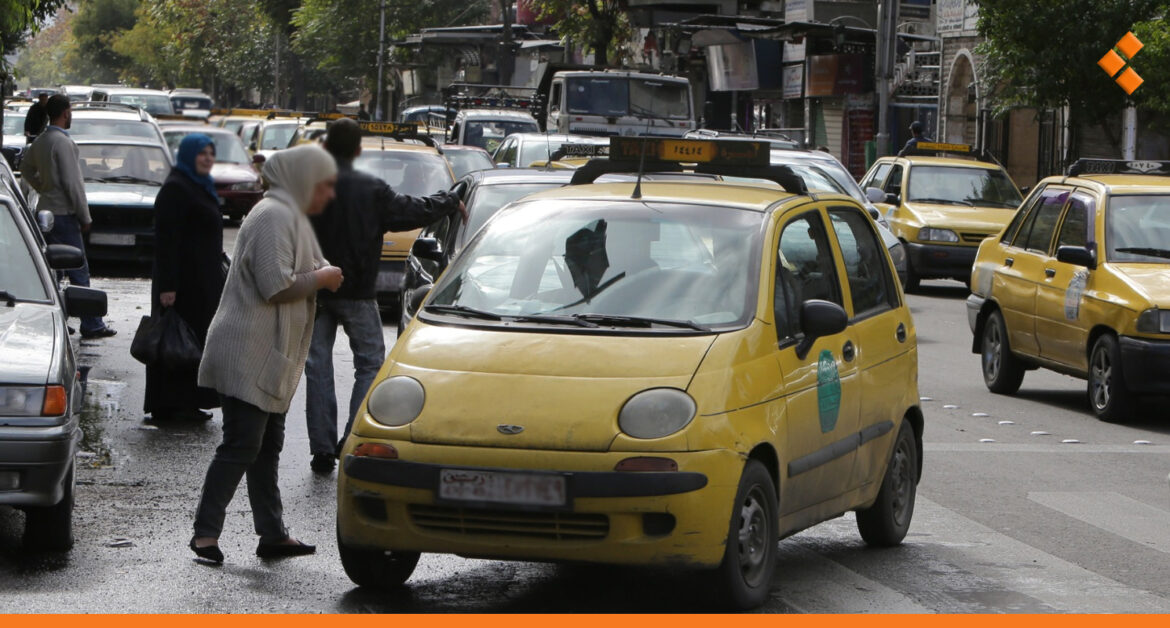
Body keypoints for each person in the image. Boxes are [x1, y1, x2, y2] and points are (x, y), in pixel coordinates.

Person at [189, 144, 344, 564]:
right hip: (247, 350)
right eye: (323, 184)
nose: (328, 193)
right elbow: (276, 284)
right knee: (242, 443)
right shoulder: (274, 214)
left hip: (268, 354)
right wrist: (323, 277)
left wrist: (323, 272)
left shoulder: (291, 215)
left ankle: (272, 534)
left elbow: (311, 263)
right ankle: (205, 534)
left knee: (266, 446)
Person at [303, 117, 465, 474]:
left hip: (316, 288)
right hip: (358, 291)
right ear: (358, 151)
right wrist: (449, 200)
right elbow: (412, 210)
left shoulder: (311, 187)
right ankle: (350, 440)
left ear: (326, 147)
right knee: (370, 363)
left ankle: (321, 448)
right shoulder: (371, 190)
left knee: (317, 366)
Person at [145, 134, 227, 422]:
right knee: (175, 340)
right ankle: (171, 404)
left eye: (210, 152)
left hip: (201, 282)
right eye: (201, 153)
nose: (207, 158)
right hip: (182, 283)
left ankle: (189, 401)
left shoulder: (197, 185)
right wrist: (169, 286)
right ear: (188, 155)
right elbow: (167, 241)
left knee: (191, 341)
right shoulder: (176, 189)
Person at [22, 95, 117, 339]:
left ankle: (58, 319)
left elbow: (25, 168)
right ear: (65, 113)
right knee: (78, 268)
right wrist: (85, 216)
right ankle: (92, 322)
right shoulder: (63, 143)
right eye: (70, 111)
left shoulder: (41, 140)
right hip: (64, 213)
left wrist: (42, 187)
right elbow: (73, 184)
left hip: (46, 211)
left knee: (54, 270)